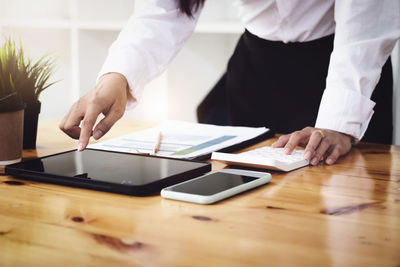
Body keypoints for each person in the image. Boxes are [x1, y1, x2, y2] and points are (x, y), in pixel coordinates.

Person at [59, 0, 400, 165]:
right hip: (255, 70)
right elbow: (165, 10)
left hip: (346, 71)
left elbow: (368, 18)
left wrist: (338, 123)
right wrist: (117, 77)